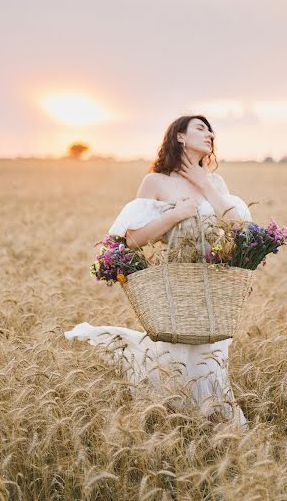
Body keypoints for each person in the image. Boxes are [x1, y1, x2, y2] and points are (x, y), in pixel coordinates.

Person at [64, 115, 252, 428]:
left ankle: (217, 423)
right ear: (179, 136)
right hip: (175, 280)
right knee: (178, 354)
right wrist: (175, 215)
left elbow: (238, 226)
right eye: (200, 128)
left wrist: (205, 184)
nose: (210, 134)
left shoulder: (215, 182)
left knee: (211, 354)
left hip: (214, 283)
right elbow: (132, 239)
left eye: (210, 129)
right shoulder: (156, 182)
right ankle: (173, 421)